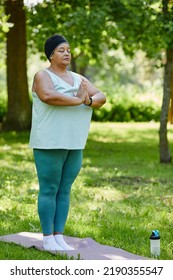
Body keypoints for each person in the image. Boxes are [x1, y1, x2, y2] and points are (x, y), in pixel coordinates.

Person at [29, 34, 106, 251]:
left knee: (64, 190)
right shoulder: (42, 75)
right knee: (49, 188)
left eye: (69, 50)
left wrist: (89, 100)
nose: (66, 53)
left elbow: (101, 96)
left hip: (74, 142)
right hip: (49, 142)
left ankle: (58, 236)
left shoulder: (78, 78)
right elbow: (48, 96)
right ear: (51, 54)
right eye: (61, 50)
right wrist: (79, 100)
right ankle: (47, 238)